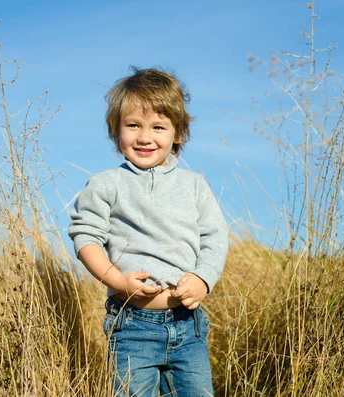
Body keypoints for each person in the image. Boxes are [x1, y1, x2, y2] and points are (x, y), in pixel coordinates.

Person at [68, 67, 228, 396]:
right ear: (116, 131)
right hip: (132, 325)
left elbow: (215, 238)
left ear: (177, 134)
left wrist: (202, 279)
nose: (144, 137)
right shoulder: (106, 184)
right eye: (133, 126)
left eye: (158, 127)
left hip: (188, 324)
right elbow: (86, 238)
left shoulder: (194, 185)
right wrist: (117, 280)